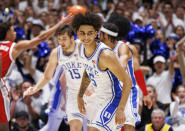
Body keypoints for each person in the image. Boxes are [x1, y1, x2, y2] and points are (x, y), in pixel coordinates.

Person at [0, 14, 73, 131]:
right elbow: (41, 38)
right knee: (3, 126)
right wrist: (61, 23)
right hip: (0, 85)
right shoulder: (14, 47)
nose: (15, 34)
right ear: (8, 33)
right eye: (13, 31)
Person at [23, 25, 94, 131]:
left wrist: (91, 87)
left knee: (86, 125)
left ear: (72, 38)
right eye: (59, 40)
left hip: (81, 90)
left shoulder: (83, 47)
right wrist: (35, 88)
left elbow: (93, 70)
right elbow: (50, 77)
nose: (62, 43)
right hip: (60, 93)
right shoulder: (57, 52)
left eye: (64, 39)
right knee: (52, 127)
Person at [72, 12, 132, 131]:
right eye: (82, 33)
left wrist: (120, 109)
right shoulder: (80, 48)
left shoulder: (105, 55)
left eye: (90, 33)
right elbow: (88, 71)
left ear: (96, 33)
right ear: (77, 34)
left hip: (114, 100)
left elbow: (127, 81)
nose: (86, 37)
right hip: (99, 99)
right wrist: (80, 95)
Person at [99, 22, 140, 131]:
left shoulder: (122, 47)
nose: (98, 36)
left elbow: (122, 66)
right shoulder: (101, 49)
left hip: (128, 90)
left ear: (106, 35)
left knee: (128, 124)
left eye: (100, 34)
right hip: (111, 92)